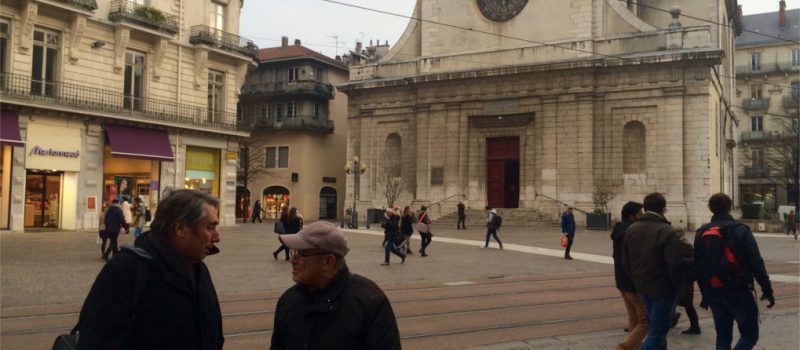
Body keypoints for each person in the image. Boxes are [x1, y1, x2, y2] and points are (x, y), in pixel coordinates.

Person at [77, 190, 223, 349]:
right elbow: (96, 341)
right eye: (210, 227)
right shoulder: (126, 270)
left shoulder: (199, 270)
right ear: (180, 228)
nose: (217, 237)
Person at [270, 221, 401, 349]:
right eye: (294, 252)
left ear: (328, 261)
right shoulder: (288, 300)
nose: (293, 260)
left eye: (301, 253)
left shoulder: (371, 303)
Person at [694, 193, 774, 350]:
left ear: (711, 209)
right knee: (750, 334)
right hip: (738, 289)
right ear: (730, 207)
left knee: (722, 337)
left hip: (714, 290)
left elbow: (698, 266)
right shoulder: (740, 230)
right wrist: (767, 289)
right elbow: (756, 262)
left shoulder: (701, 232)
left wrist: (705, 294)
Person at [622, 192, 683, 350]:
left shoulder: (631, 229)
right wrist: (679, 287)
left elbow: (626, 262)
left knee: (656, 327)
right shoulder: (666, 231)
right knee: (658, 330)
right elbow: (674, 264)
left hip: (642, 287)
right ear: (663, 209)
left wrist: (637, 279)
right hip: (663, 289)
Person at [610, 201, 647, 350]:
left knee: (634, 317)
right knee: (646, 321)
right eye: (640, 213)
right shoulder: (632, 233)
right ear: (632, 216)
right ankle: (623, 348)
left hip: (621, 281)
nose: (642, 216)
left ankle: (633, 347)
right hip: (632, 282)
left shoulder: (619, 230)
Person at [673, 227, 700, 335]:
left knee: (688, 304)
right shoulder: (672, 247)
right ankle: (672, 318)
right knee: (673, 302)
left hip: (685, 279)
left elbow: (694, 260)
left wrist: (681, 260)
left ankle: (695, 326)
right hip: (677, 279)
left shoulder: (687, 246)